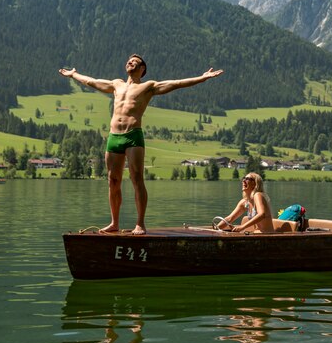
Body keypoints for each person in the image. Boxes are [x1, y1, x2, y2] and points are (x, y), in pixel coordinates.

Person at [59, 55, 223, 235]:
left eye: (135, 62)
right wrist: (74, 75)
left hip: (133, 136)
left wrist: (203, 77)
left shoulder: (148, 86)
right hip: (114, 136)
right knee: (113, 181)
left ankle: (140, 223)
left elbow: (177, 83)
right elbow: (92, 82)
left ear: (142, 69)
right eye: (129, 61)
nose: (130, 62)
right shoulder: (116, 84)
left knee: (137, 179)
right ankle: (114, 223)